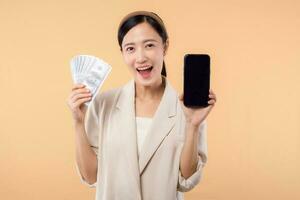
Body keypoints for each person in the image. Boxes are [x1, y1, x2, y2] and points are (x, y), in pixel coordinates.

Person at [67, 10, 217, 200]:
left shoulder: (188, 110)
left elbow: (186, 180)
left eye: (149, 45)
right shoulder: (103, 104)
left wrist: (193, 125)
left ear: (165, 46)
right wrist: (78, 122)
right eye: (130, 48)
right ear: (122, 53)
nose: (141, 58)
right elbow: (91, 176)